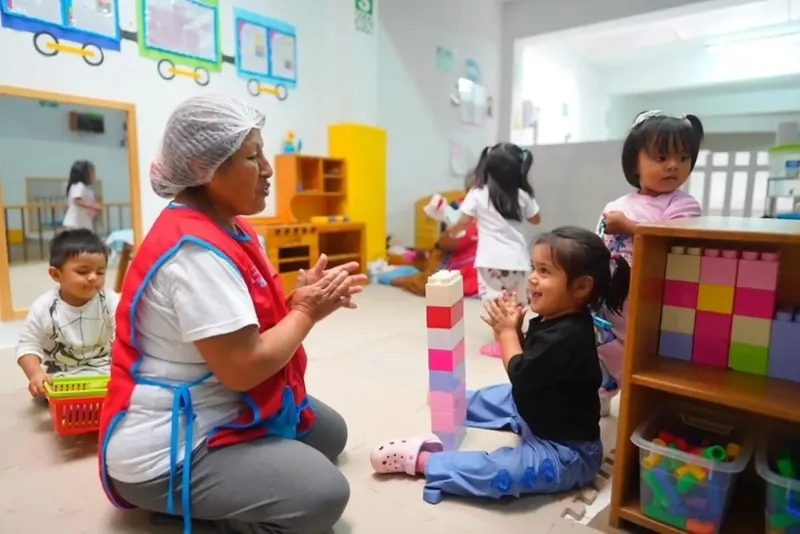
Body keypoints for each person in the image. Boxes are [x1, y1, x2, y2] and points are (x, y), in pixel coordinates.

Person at [98, 95, 366, 534]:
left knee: (329, 433)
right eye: (252, 156)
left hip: (217, 402)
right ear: (207, 166)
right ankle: (196, 515)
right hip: (167, 449)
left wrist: (298, 300)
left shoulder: (232, 226)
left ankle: (226, 493)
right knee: (323, 494)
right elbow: (242, 370)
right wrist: (306, 312)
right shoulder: (193, 253)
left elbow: (243, 322)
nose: (268, 169)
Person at [368, 227, 629, 505]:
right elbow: (532, 366)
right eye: (533, 268)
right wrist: (514, 331)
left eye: (544, 271)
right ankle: (456, 404)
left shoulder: (571, 335)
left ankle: (426, 462)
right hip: (537, 413)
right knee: (502, 396)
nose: (532, 278)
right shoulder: (556, 318)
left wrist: (505, 335)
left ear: (580, 287)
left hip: (565, 451)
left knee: (501, 472)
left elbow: (521, 374)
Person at [596, 110, 704, 409]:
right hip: (613, 298)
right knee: (605, 347)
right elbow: (600, 246)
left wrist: (628, 227)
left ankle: (638, 406)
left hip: (653, 304)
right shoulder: (617, 205)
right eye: (661, 157)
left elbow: (670, 241)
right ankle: (602, 397)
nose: (674, 166)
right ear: (635, 163)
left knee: (643, 358)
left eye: (683, 158)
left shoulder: (684, 205)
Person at [446, 143, 541, 357]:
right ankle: (517, 339)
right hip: (517, 260)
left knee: (495, 301)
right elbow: (536, 219)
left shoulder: (478, 193)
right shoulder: (521, 194)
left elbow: (464, 221)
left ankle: (501, 344)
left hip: (490, 261)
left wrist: (452, 230)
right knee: (514, 301)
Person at [16, 228, 115, 399]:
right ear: (56, 274)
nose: (93, 277)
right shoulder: (43, 307)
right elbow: (28, 345)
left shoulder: (110, 300)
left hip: (106, 371)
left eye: (100, 272)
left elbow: (127, 330)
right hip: (62, 378)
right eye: (83, 272)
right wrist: (36, 374)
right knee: (49, 392)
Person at [62, 160, 101, 230]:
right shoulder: (79, 186)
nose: (94, 175)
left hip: (82, 223)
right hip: (75, 224)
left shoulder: (85, 189)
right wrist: (93, 206)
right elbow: (77, 201)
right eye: (92, 172)